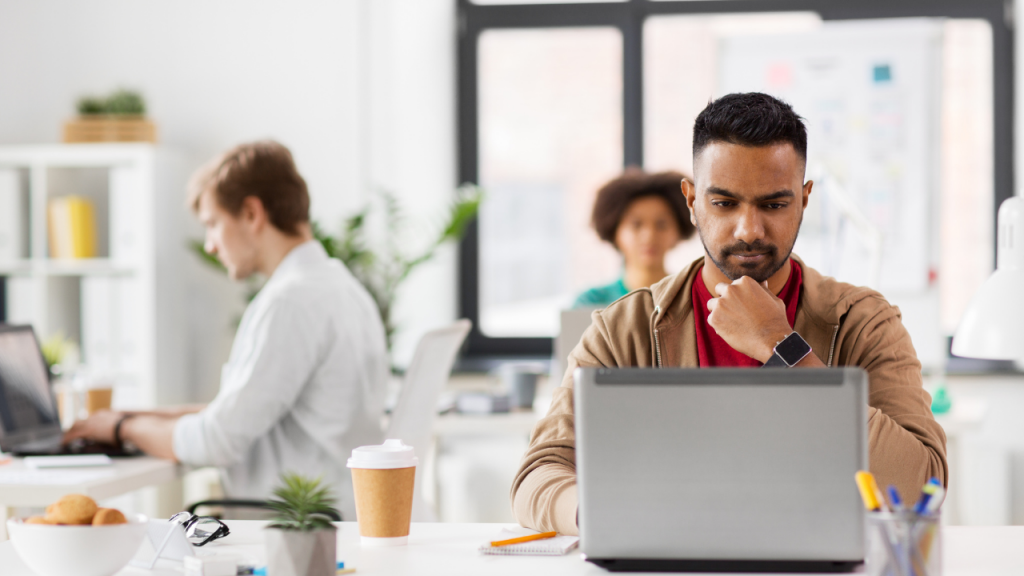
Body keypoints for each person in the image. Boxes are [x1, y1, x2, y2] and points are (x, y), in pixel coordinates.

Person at [511, 93, 947, 535]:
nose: (749, 231)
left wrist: (783, 346)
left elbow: (922, 484)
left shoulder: (865, 320)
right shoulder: (623, 327)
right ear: (692, 200)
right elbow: (538, 476)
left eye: (774, 204)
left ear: (804, 199)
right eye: (724, 204)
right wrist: (606, 514)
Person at [64, 141, 388, 521]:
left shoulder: (290, 302)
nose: (210, 244)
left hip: (301, 529)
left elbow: (217, 440)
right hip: (341, 512)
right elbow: (239, 410)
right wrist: (133, 416)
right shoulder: (340, 287)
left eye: (212, 223)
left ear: (252, 213)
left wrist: (122, 428)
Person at [573, 169, 696, 308]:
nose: (649, 236)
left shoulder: (693, 299)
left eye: (661, 224)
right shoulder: (590, 303)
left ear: (678, 231)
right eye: (636, 225)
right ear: (615, 232)